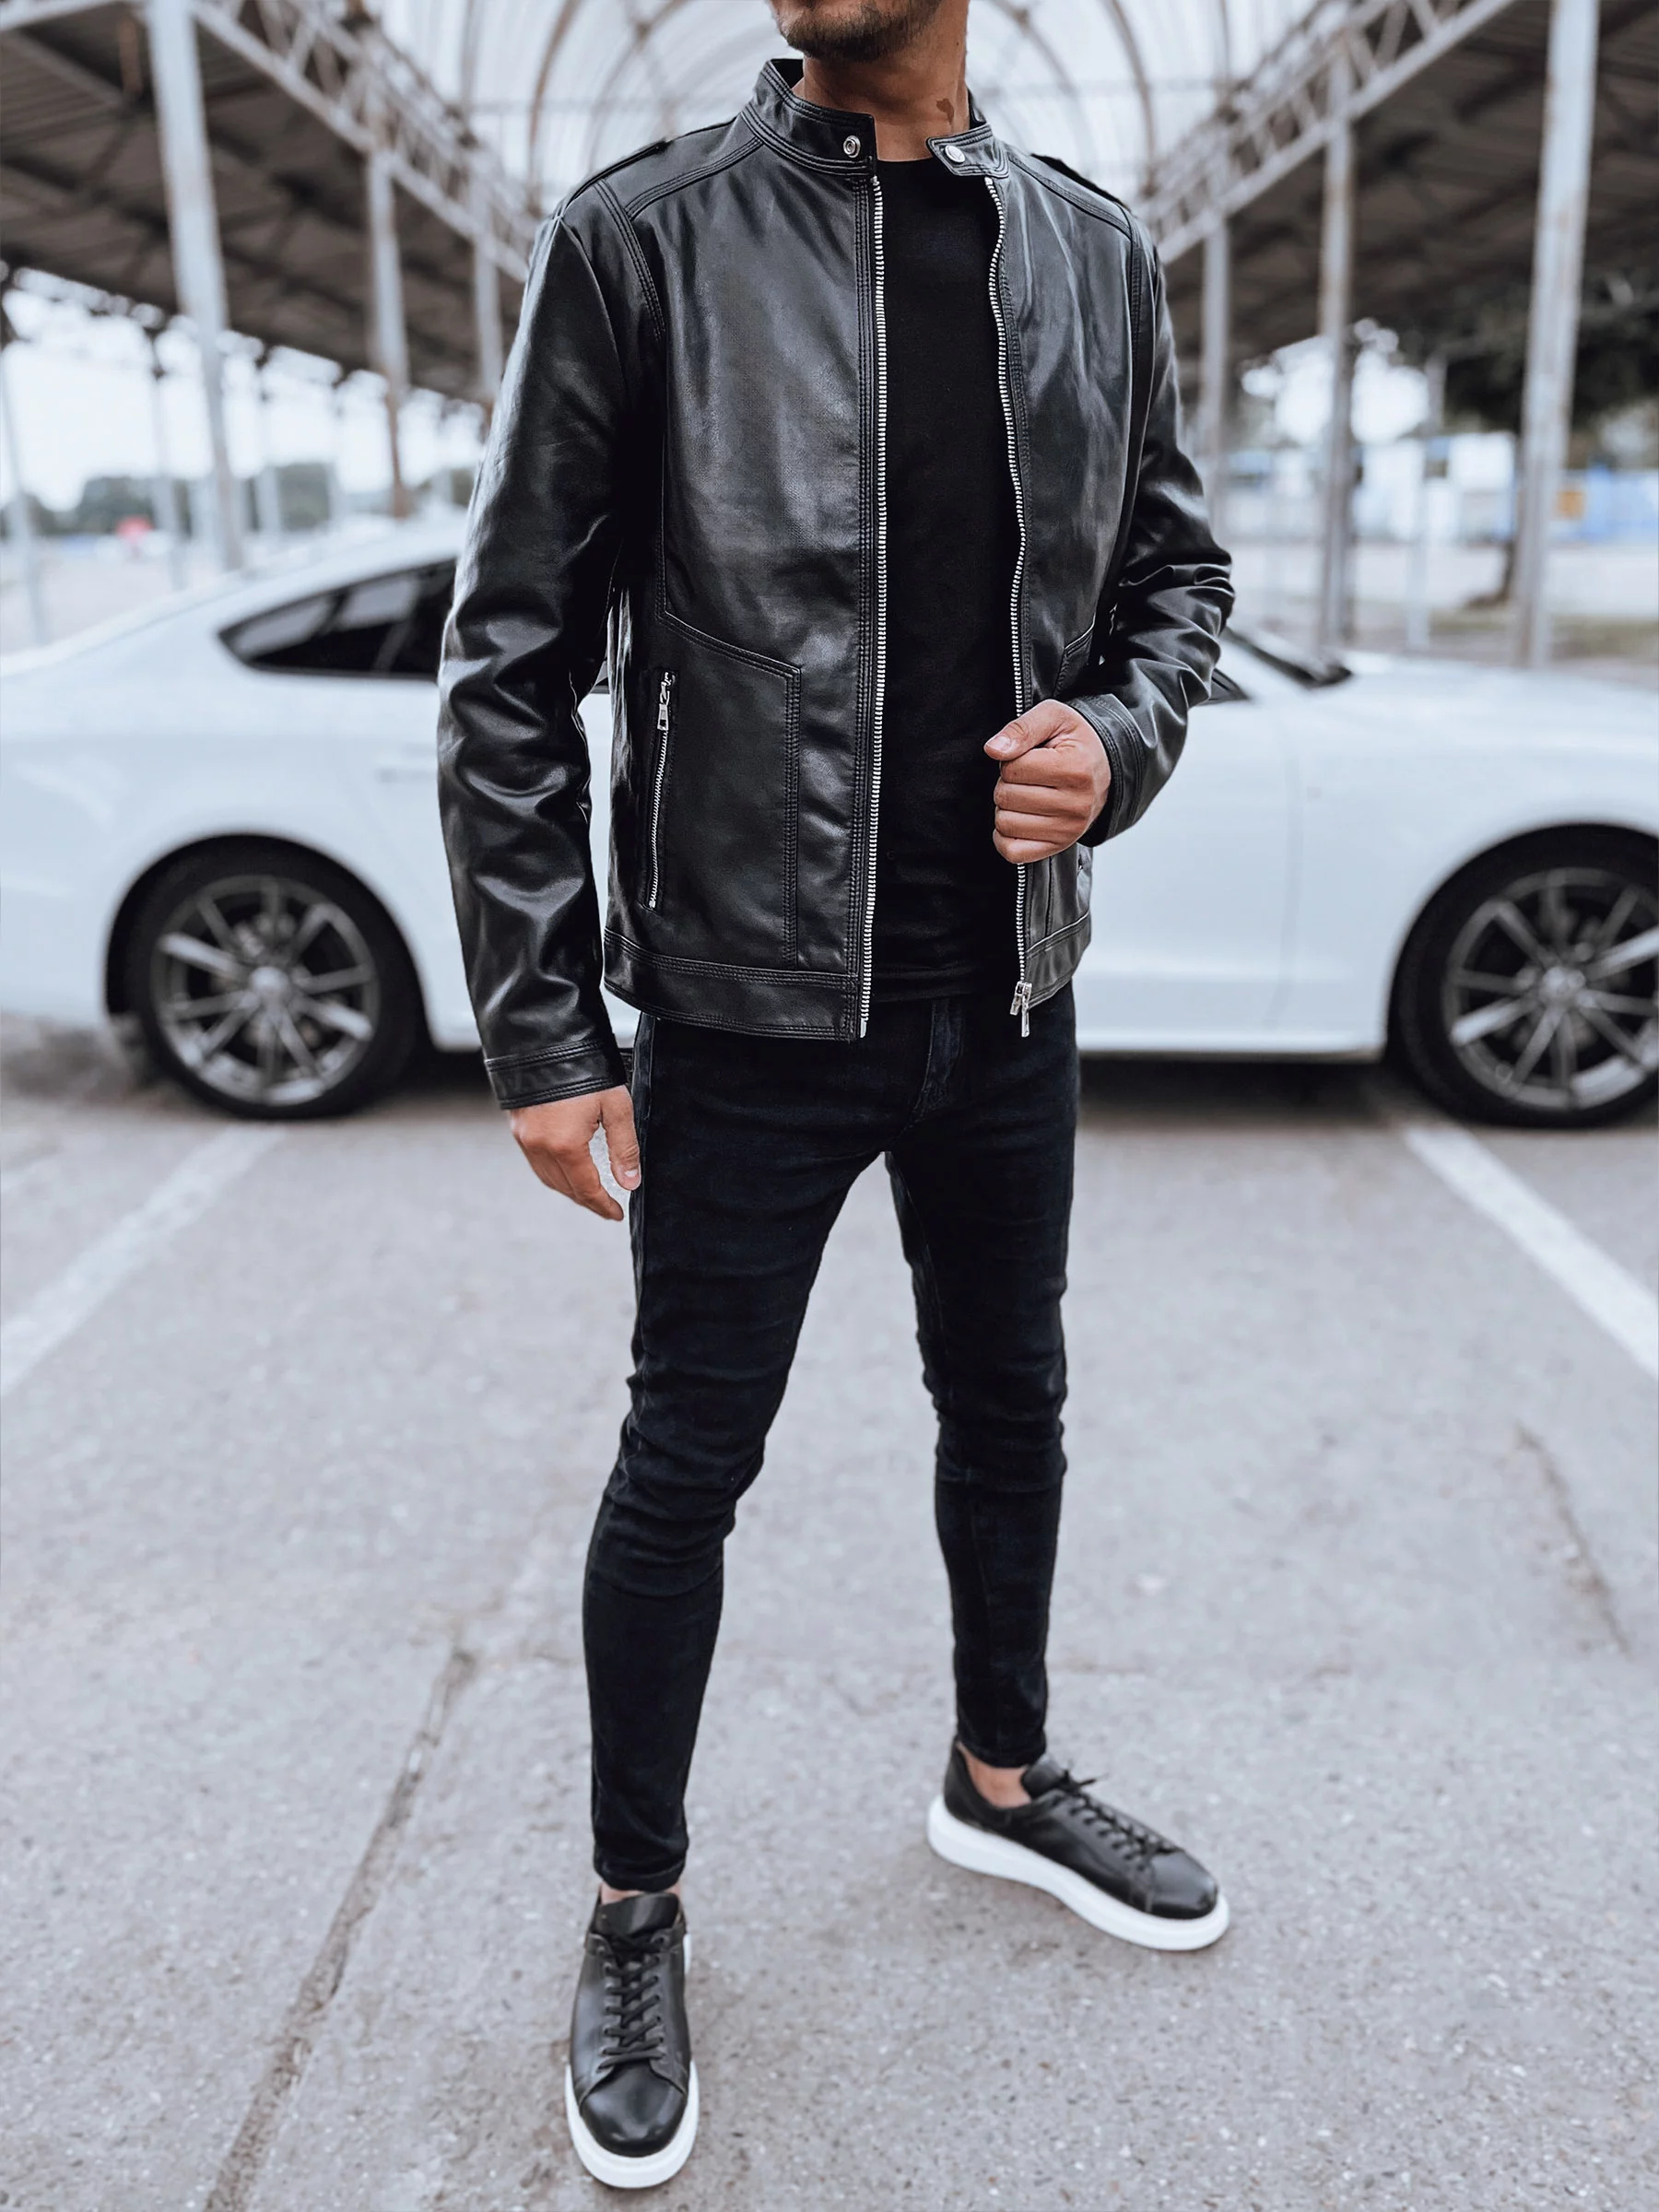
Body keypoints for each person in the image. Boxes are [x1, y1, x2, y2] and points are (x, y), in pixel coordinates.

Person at [439, 0, 1233, 2187]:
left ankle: (1003, 1779)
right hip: (744, 1005)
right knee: (685, 1466)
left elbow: (1175, 578)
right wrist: (542, 1028)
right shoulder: (644, 240)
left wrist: (1118, 743)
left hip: (1010, 990)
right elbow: (512, 653)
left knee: (1014, 1403)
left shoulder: (1092, 250)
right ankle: (635, 1906)